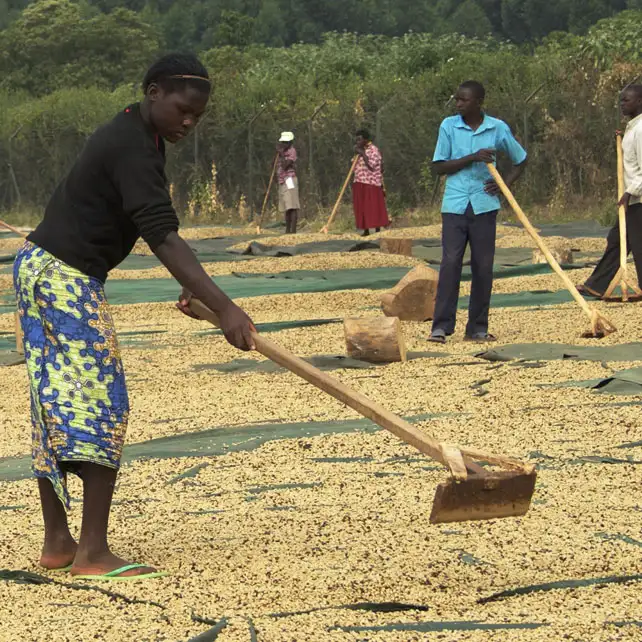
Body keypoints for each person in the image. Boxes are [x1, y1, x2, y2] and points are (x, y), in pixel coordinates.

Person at [13, 53, 256, 581]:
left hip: (41, 269)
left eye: (197, 117)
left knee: (52, 405)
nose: (188, 123)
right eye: (182, 110)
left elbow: (140, 223)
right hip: (62, 279)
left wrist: (199, 296)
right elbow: (161, 233)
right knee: (105, 404)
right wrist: (226, 307)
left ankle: (59, 541)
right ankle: (92, 552)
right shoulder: (132, 147)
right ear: (153, 93)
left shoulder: (134, 135)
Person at [429, 80, 527, 344]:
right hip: (455, 205)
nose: (458, 103)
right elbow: (439, 167)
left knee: (483, 267)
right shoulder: (449, 125)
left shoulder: (497, 127)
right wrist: (473, 157)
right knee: (450, 264)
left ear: (478, 102)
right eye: (457, 99)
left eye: (464, 100)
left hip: (484, 206)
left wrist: (503, 183)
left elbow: (521, 159)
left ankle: (477, 328)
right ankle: (441, 327)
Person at [578, 85, 642, 298]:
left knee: (636, 243)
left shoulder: (641, 129)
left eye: (627, 100)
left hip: (638, 198)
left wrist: (630, 192)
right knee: (617, 239)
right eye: (621, 100)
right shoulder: (633, 127)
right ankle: (597, 284)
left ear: (640, 101)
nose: (622, 104)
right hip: (633, 198)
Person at [352, 129, 390, 236]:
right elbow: (354, 166)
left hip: (371, 183)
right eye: (356, 140)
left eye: (359, 139)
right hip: (359, 181)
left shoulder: (373, 150)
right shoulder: (360, 150)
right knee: (362, 207)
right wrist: (358, 153)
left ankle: (377, 229)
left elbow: (371, 166)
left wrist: (362, 154)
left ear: (366, 139)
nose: (357, 142)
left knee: (373, 207)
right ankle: (366, 230)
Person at [276, 132, 300, 234]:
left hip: (289, 179)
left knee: (292, 205)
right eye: (282, 142)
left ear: (290, 142)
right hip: (282, 180)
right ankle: (287, 230)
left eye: (286, 142)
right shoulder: (281, 153)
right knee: (287, 207)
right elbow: (273, 164)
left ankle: (293, 231)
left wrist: (281, 154)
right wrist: (277, 155)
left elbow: (286, 166)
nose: (283, 144)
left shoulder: (292, 151)